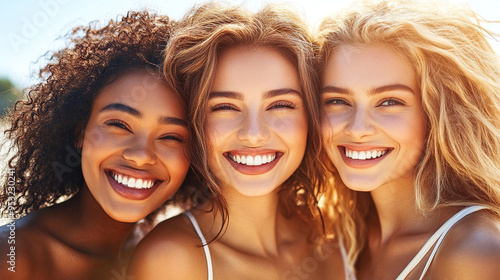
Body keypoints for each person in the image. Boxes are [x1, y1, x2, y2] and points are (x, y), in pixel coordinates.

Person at [128, 3, 349, 279]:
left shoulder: (339, 234)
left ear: (311, 116)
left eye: (280, 105)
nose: (253, 134)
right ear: (195, 121)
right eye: (225, 107)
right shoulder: (171, 259)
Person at [0, 11, 194, 279]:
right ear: (80, 131)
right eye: (119, 125)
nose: (140, 156)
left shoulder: (167, 254)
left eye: (172, 137)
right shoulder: (13, 258)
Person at [316, 0, 500, 279]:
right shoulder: (337, 241)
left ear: (438, 113)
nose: (357, 128)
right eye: (338, 100)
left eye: (389, 101)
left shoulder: (474, 252)